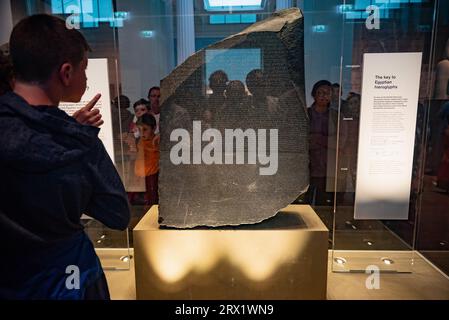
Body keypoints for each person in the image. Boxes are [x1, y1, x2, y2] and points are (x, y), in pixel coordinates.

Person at [0, 14, 130, 300]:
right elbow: (117, 212)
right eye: (84, 69)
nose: (85, 78)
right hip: (69, 278)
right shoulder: (76, 142)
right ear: (66, 73)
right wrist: (75, 132)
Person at [307, 80, 338, 205]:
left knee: (324, 203)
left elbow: (339, 142)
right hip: (307, 165)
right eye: (320, 92)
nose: (324, 96)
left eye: (327, 93)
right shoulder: (306, 114)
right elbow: (300, 139)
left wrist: (317, 138)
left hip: (328, 167)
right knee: (304, 201)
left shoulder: (336, 116)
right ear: (314, 94)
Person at [134, 114, 160, 207]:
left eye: (145, 130)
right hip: (139, 176)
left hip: (152, 175)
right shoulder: (139, 141)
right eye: (139, 130)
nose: (142, 133)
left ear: (153, 128)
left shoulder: (156, 141)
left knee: (151, 202)